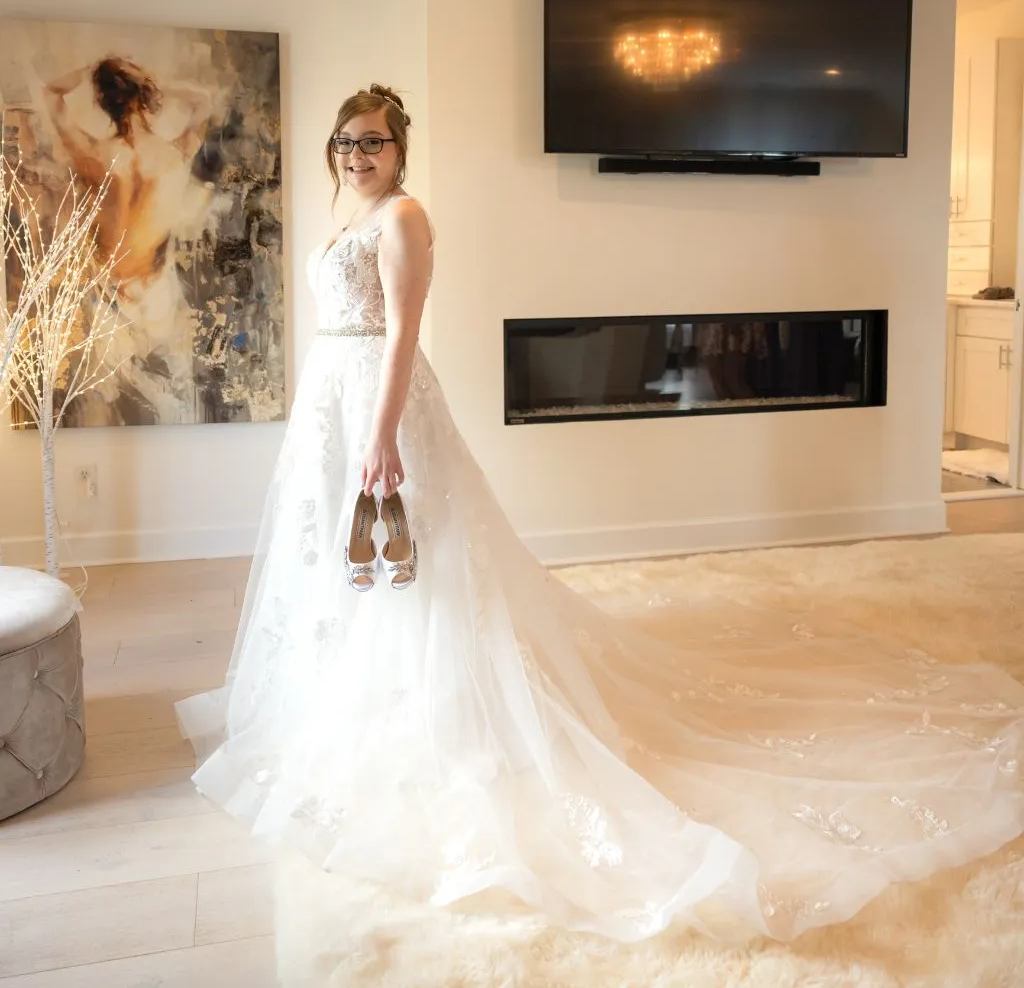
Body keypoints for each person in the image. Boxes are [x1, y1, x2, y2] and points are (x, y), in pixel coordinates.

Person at [176, 83, 1024, 945]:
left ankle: (444, 712)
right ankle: (353, 699)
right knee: (346, 559)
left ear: (399, 150)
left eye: (373, 142)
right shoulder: (350, 216)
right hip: (334, 399)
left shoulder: (402, 216)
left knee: (420, 561)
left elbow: (401, 331)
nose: (357, 155)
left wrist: (381, 434)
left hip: (377, 407)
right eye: (346, 142)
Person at [44, 57, 214, 424]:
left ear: (104, 101)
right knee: (175, 402)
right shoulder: (173, 152)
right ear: (144, 98)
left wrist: (93, 68)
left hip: (111, 291)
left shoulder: (93, 154)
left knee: (109, 408)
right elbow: (203, 103)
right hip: (154, 286)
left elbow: (51, 94)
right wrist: (153, 83)